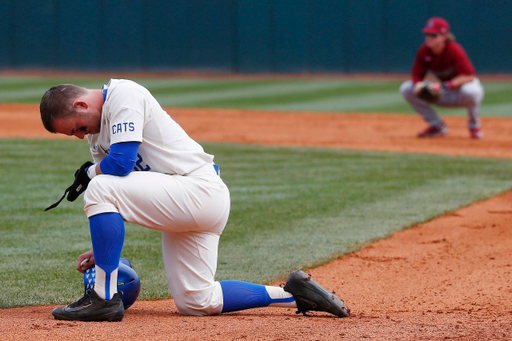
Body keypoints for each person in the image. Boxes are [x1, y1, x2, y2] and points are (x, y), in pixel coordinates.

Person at [39, 79, 350, 322]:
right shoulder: (97, 136)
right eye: (73, 134)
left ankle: (102, 298)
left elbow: (119, 165)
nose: (80, 136)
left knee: (100, 185)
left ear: (81, 103)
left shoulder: (124, 95)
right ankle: (293, 293)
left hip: (199, 190)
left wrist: (91, 173)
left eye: (77, 127)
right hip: (186, 203)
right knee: (196, 301)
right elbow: (123, 194)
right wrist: (103, 247)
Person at [399, 17, 484, 138]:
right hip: (445, 92)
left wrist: (444, 86)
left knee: (471, 91)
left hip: (461, 91)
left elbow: (469, 76)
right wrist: (418, 85)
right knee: (406, 88)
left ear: (444, 36)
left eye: (433, 35)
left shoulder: (454, 50)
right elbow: (417, 74)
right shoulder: (424, 51)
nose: (429, 37)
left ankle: (474, 125)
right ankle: (437, 126)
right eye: (427, 34)